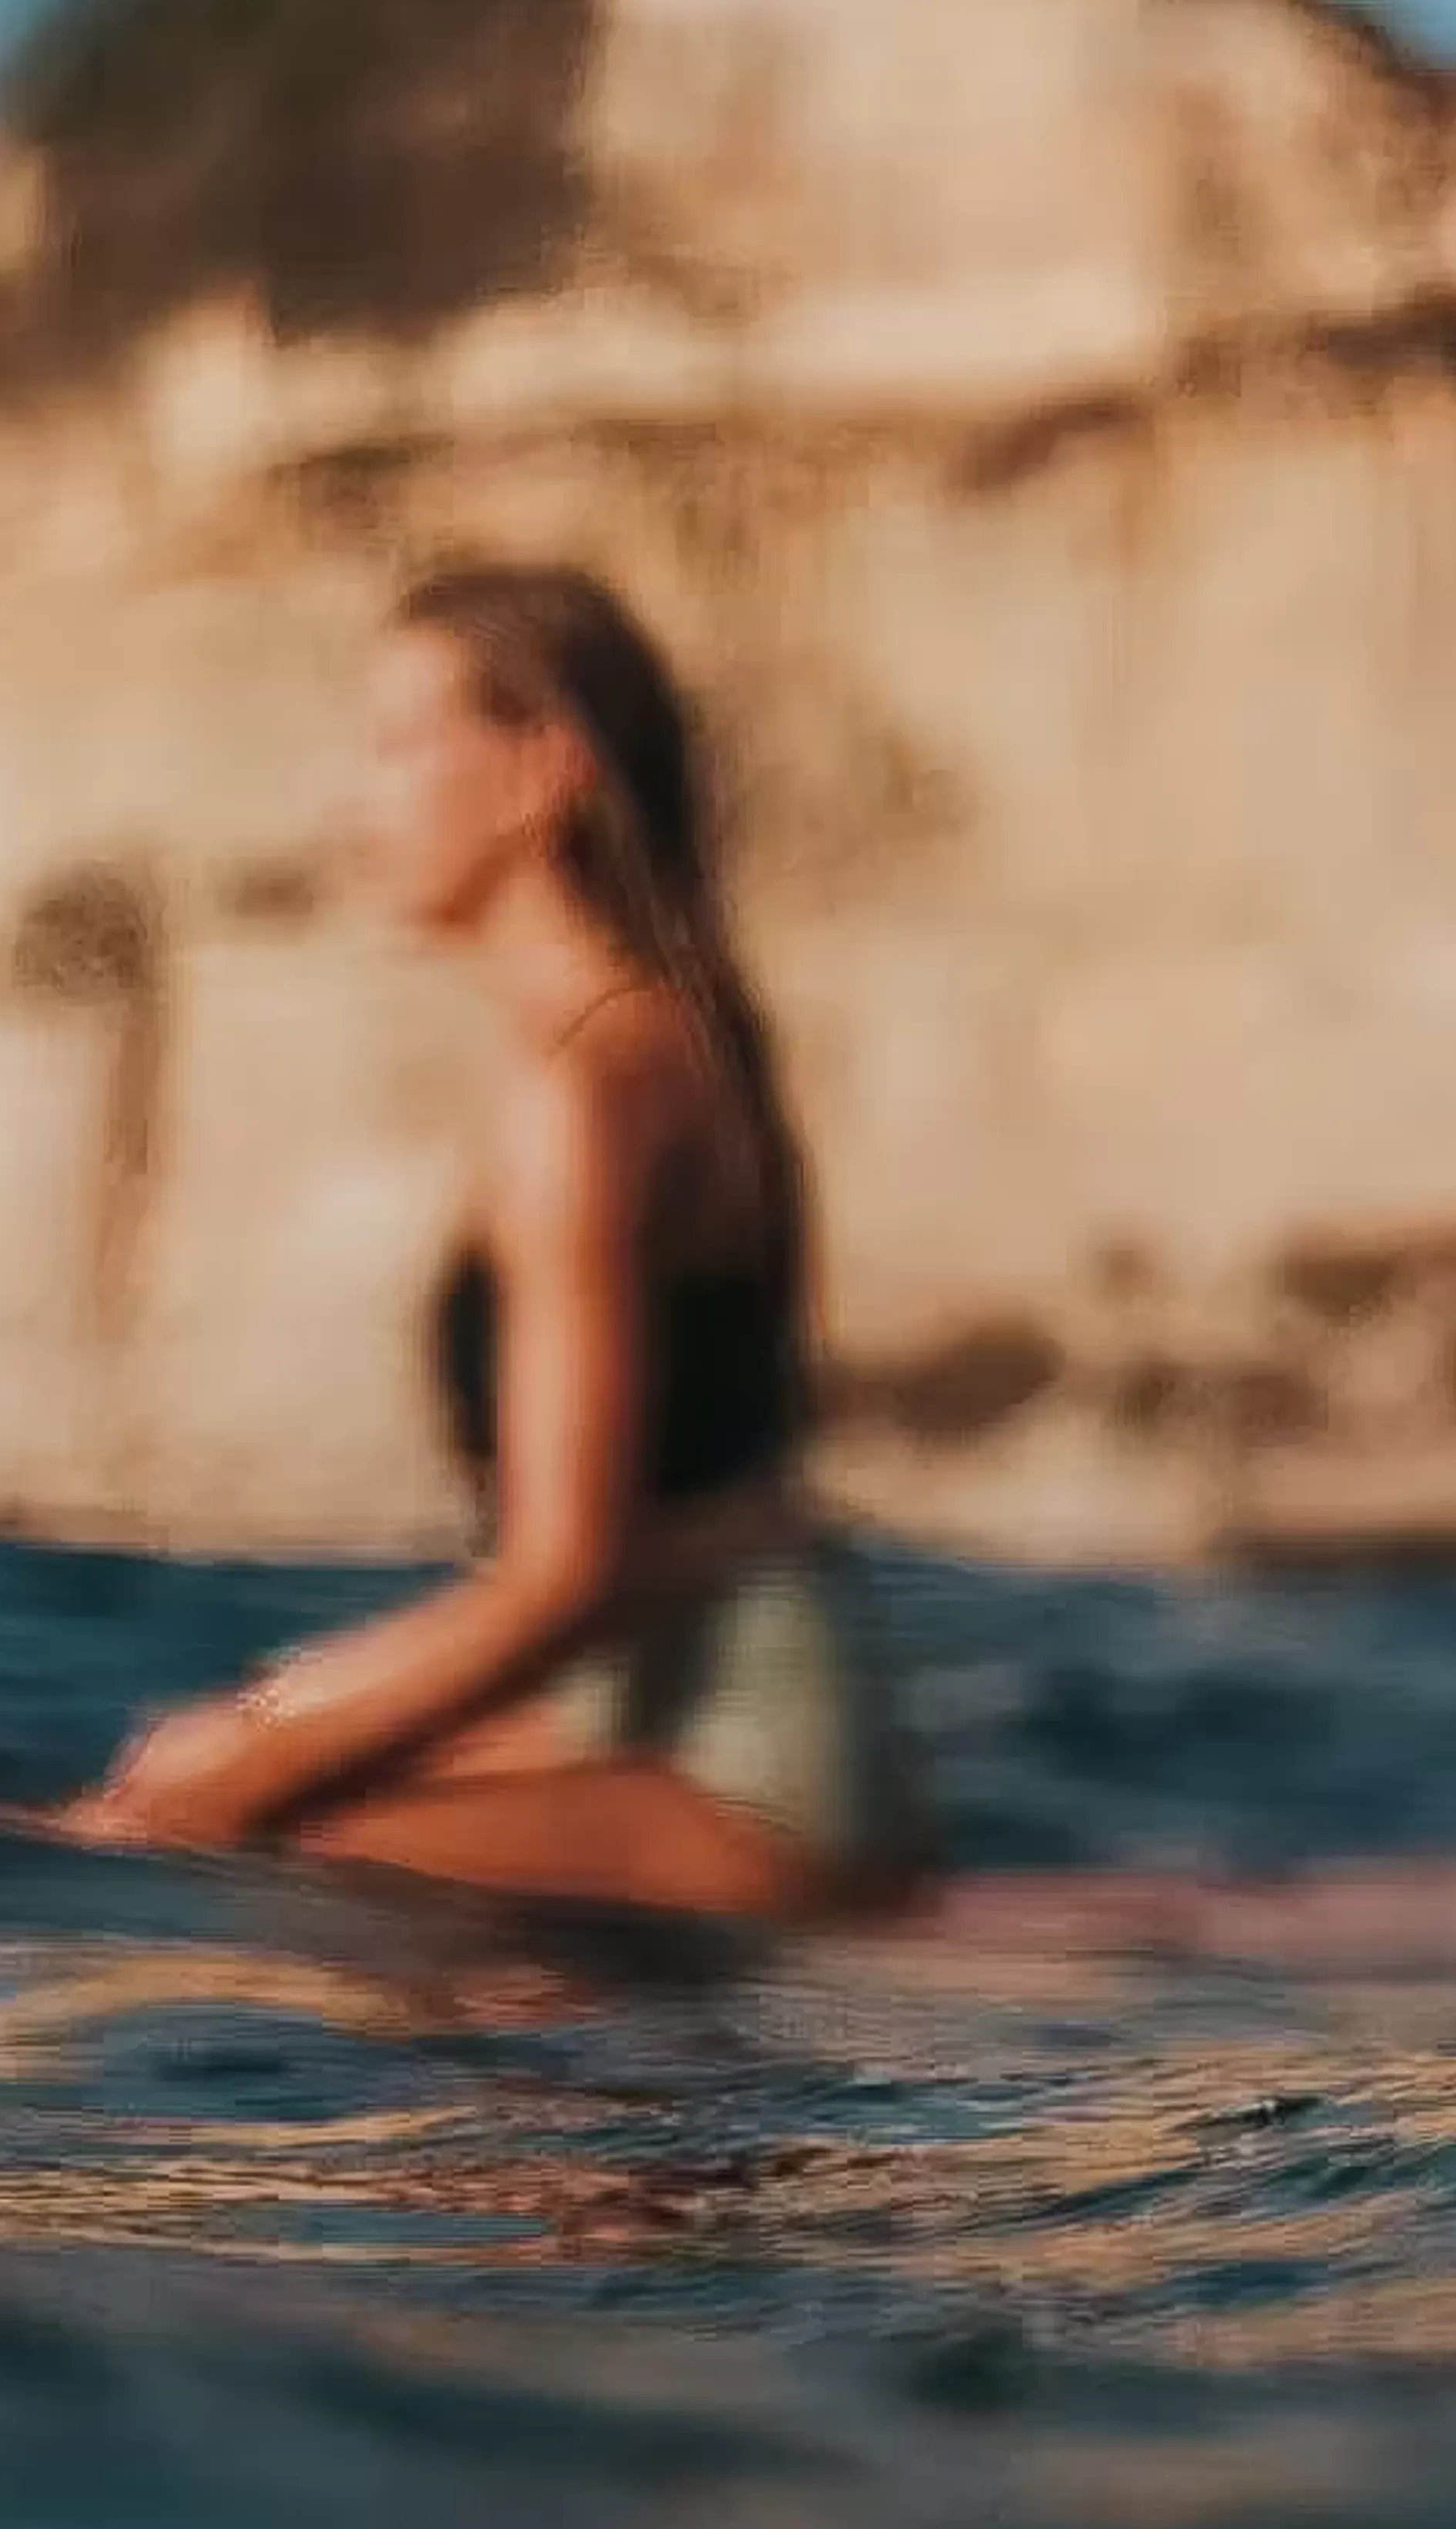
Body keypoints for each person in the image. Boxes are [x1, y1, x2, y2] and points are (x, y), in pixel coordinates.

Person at [58, 564, 929, 1915]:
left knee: (224, 1857)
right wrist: (265, 1737)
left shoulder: (589, 1092)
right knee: (157, 1810)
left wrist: (267, 1727)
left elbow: (565, 1575)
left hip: (739, 1775)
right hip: (673, 1718)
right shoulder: (672, 1040)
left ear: (540, 773)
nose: (356, 805)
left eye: (401, 746)